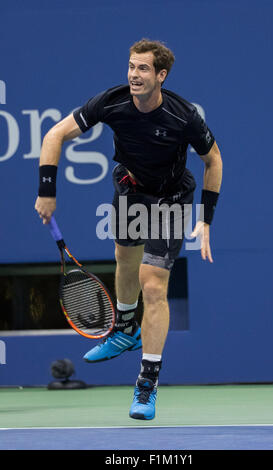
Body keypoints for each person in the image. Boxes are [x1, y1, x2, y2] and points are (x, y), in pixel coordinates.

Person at [35, 38, 223, 420]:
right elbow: (54, 135)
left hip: (171, 198)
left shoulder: (183, 116)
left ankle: (146, 385)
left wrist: (205, 218)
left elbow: (213, 160)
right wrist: (47, 192)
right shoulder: (111, 102)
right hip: (131, 188)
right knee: (124, 256)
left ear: (161, 75)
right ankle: (124, 329)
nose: (133, 75)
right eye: (131, 67)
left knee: (153, 283)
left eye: (142, 69)